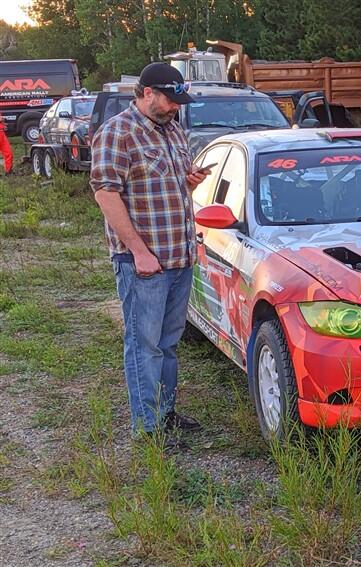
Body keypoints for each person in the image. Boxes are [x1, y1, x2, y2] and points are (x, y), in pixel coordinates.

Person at [90, 63, 209, 440]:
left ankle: (167, 412)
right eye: (170, 100)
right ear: (146, 94)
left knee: (168, 343)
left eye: (178, 101)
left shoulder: (172, 129)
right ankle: (148, 428)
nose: (175, 107)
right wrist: (139, 252)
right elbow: (106, 194)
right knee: (144, 345)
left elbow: (166, 191)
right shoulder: (117, 133)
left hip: (179, 256)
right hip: (144, 262)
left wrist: (188, 183)